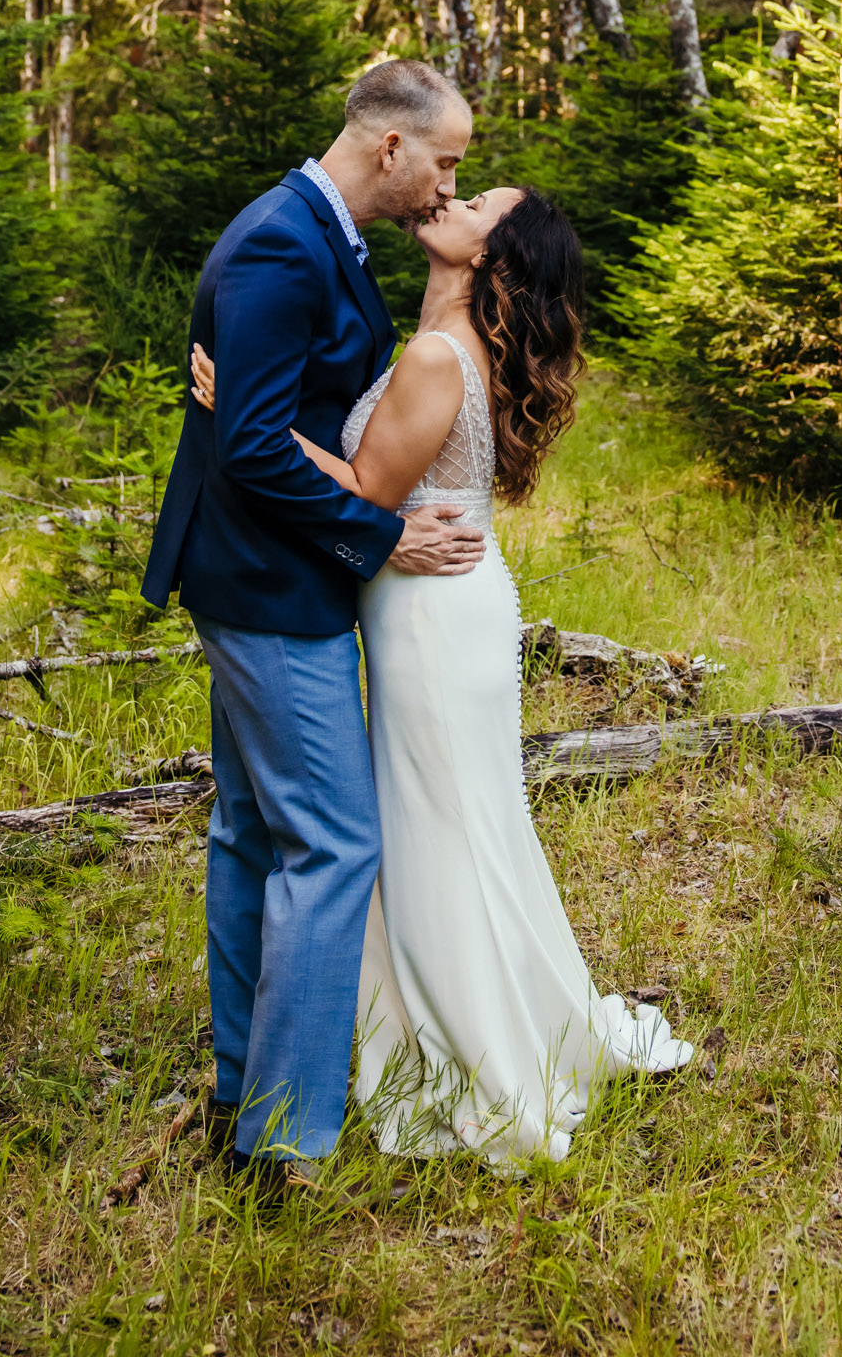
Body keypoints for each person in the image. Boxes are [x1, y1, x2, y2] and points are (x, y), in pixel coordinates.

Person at [190, 180, 694, 1174]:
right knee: (458, 821)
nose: (448, 199)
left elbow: (370, 491)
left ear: (488, 254)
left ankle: (465, 1054)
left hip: (429, 618)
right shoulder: (440, 340)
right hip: (445, 605)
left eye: (476, 203)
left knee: (432, 830)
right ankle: (466, 1025)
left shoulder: (432, 355)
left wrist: (246, 412)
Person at [142, 59, 484, 1195]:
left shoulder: (316, 232)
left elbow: (268, 406)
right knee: (333, 843)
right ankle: (278, 1141)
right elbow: (246, 446)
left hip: (260, 574)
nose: (445, 187)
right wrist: (377, 539)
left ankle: (241, 1094)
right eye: (443, 162)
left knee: (252, 834)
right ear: (389, 147)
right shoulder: (282, 241)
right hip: (266, 588)